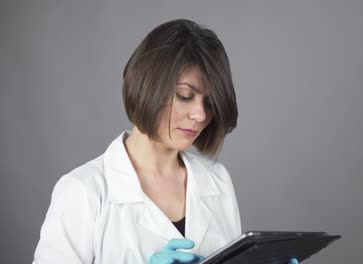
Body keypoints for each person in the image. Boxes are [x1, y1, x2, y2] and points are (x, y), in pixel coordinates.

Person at [33, 19, 299, 264]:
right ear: (146, 85)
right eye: (184, 95)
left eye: (209, 102)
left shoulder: (217, 180)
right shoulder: (83, 190)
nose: (201, 114)